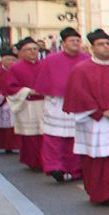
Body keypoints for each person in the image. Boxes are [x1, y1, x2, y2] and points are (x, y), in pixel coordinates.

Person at [63, 29, 109, 207]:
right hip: (94, 121)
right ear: (92, 48)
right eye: (100, 44)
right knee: (97, 159)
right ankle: (101, 193)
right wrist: (100, 112)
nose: (105, 47)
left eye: (107, 44)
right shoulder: (81, 70)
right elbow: (79, 95)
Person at [36, 27, 87, 183]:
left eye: (78, 40)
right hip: (57, 104)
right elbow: (42, 83)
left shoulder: (86, 59)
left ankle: (75, 169)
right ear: (64, 43)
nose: (76, 43)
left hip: (79, 104)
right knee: (54, 138)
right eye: (72, 41)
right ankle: (55, 167)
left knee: (76, 138)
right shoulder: (51, 60)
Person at [2, 39, 45, 171]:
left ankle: (45, 161)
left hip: (44, 104)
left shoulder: (44, 65)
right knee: (30, 137)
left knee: (45, 135)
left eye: (35, 49)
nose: (33, 51)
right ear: (22, 52)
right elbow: (9, 88)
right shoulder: (15, 68)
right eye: (29, 49)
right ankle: (33, 161)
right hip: (27, 105)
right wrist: (28, 91)